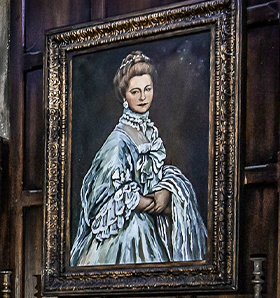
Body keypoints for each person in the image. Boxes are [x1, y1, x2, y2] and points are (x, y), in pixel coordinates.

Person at [71, 51, 207, 266]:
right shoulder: (117, 141)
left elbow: (153, 176)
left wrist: (167, 192)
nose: (143, 97)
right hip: (127, 231)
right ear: (124, 96)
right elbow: (106, 193)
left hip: (150, 219)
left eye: (147, 89)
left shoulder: (147, 131)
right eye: (135, 92)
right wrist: (153, 204)